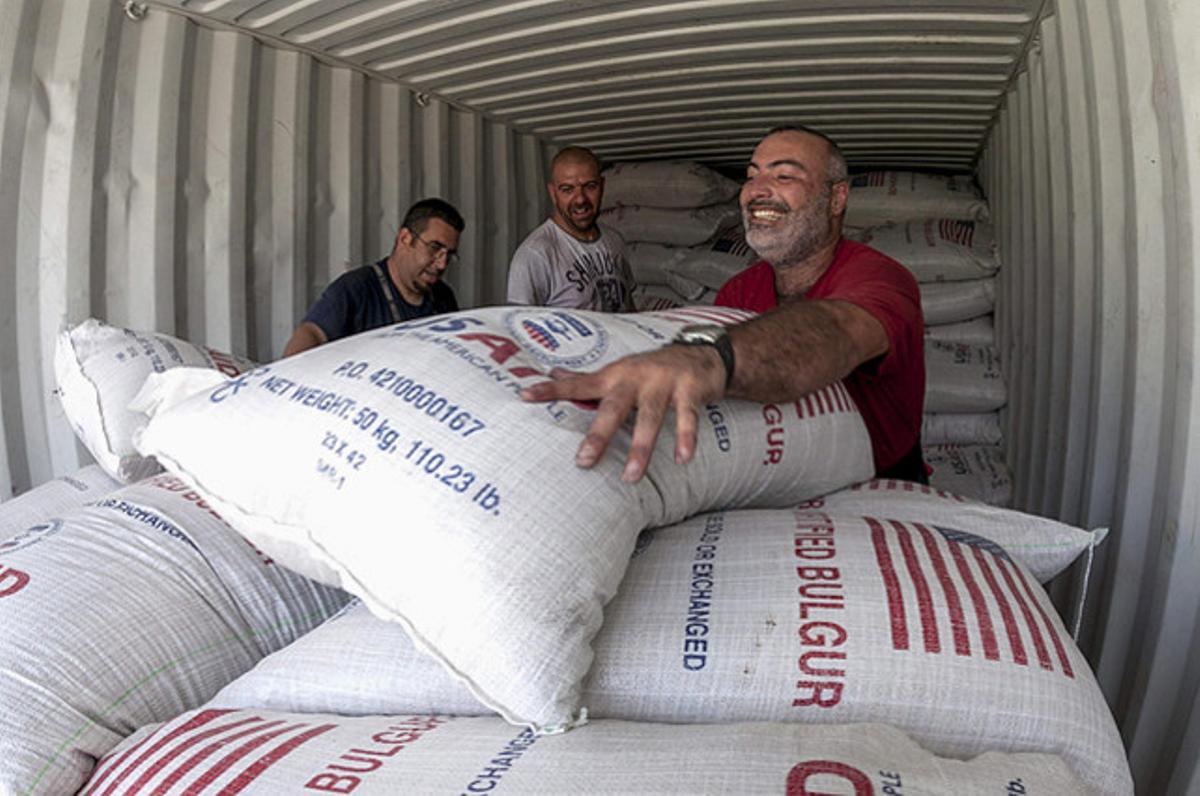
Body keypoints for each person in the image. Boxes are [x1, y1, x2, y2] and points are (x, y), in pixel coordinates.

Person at [521, 125, 925, 484]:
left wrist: (708, 357)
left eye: (784, 175)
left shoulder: (880, 278)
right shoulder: (739, 291)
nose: (756, 190)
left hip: (877, 484)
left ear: (836, 198)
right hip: (778, 483)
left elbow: (837, 329)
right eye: (751, 176)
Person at [283, 199, 464, 357]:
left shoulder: (443, 298)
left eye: (449, 254)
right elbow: (312, 333)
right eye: (434, 248)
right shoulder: (356, 289)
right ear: (405, 238)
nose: (442, 264)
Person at [506, 146, 634, 312]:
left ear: (602, 186)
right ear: (553, 193)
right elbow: (519, 324)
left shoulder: (614, 241)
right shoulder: (535, 255)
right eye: (567, 189)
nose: (580, 199)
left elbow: (629, 308)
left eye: (590, 186)